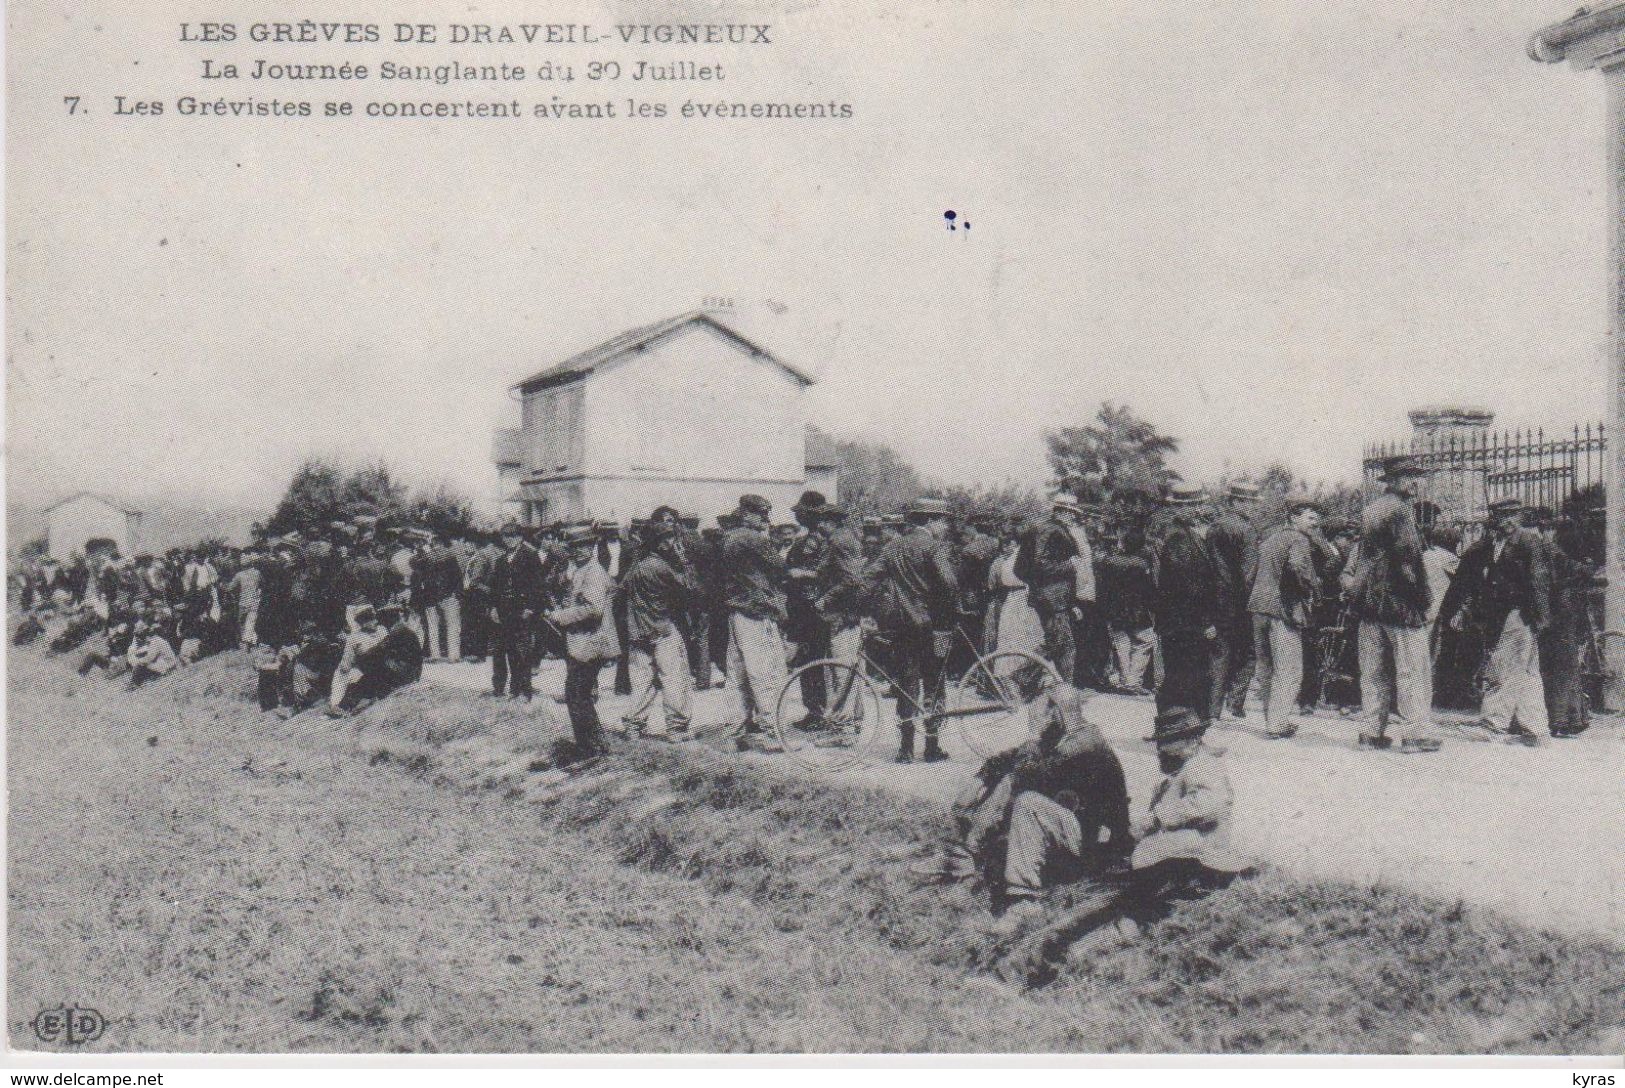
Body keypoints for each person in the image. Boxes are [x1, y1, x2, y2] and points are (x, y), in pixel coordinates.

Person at [990, 686, 1134, 927]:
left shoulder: (1080, 747)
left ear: (1056, 714)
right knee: (1018, 794)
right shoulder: (1081, 738)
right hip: (1088, 831)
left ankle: (1024, 899)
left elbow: (1026, 773)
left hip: (1100, 844)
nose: (1038, 722)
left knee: (1028, 803)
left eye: (1039, 716)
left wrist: (1033, 736)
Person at [1439, 498, 1552, 745]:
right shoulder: (1488, 545)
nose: (1508, 521)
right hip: (1501, 615)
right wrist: (1450, 611)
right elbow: (1466, 576)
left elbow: (1539, 581)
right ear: (1494, 518)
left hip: (1518, 613)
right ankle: (1535, 730)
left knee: (1504, 667)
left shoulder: (1529, 542)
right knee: (1526, 672)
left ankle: (1494, 723)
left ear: (1520, 517)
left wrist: (1542, 618)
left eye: (1512, 515)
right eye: (1502, 515)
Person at [1346, 455, 1440, 752]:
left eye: (1418, 476)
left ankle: (1370, 733)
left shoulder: (1371, 510)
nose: (1417, 482)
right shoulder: (1401, 512)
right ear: (1393, 481)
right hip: (1399, 604)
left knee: (1373, 672)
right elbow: (1409, 560)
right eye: (1409, 477)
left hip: (1369, 604)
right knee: (1413, 671)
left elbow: (1365, 559)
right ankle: (1415, 735)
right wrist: (1424, 598)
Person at [874, 497, 960, 762]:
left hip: (901, 626)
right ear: (931, 520)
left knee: (906, 682)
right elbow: (949, 584)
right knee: (935, 683)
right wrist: (953, 610)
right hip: (932, 625)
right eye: (943, 521)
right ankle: (932, 747)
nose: (945, 527)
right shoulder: (933, 547)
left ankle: (906, 749)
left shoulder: (891, 547)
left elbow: (869, 576)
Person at [1247, 499, 1322, 738]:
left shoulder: (1270, 539)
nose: (1315, 522)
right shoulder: (1298, 539)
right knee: (1288, 669)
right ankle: (1277, 724)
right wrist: (1311, 587)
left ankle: (1273, 720)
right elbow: (1297, 568)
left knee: (1267, 668)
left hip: (1258, 608)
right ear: (1294, 517)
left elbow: (1251, 576)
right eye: (1310, 517)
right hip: (1283, 610)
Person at [722, 494, 790, 750]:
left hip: (736, 610)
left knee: (737, 675)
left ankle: (735, 733)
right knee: (767, 673)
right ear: (748, 514)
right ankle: (773, 734)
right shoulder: (753, 539)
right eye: (762, 515)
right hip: (756, 611)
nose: (765, 520)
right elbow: (781, 569)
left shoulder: (729, 536)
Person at [547, 525, 621, 758]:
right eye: (574, 547)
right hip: (584, 642)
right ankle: (593, 746)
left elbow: (594, 609)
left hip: (591, 643)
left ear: (593, 547)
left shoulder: (593, 573)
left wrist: (562, 616)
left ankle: (592, 748)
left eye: (584, 546)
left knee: (577, 695)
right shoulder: (583, 570)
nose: (578, 551)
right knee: (578, 695)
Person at [619, 519, 694, 741]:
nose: (671, 542)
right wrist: (684, 562)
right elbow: (688, 588)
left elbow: (622, 588)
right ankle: (676, 728)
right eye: (667, 538)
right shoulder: (660, 567)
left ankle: (634, 725)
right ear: (658, 542)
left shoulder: (637, 565)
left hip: (637, 630)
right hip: (662, 628)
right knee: (674, 678)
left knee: (643, 681)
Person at [1153, 486, 1220, 726]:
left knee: (1184, 677)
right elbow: (1187, 584)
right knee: (1183, 677)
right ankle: (1176, 732)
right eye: (1193, 505)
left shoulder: (1183, 532)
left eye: (1198, 504)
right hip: (1183, 622)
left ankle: (1182, 730)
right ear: (1180, 508)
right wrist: (1205, 621)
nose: (1199, 509)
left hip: (1180, 620)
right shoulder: (1178, 536)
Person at [1017, 493, 1088, 685]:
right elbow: (1041, 565)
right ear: (1062, 511)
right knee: (1061, 644)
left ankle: (1061, 687)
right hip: (1053, 598)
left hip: (1053, 597)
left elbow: (1022, 569)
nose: (1074, 516)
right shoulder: (1052, 531)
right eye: (1071, 512)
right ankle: (1020, 679)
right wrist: (1070, 564)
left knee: (1061, 644)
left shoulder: (1046, 529)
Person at [1207, 482, 1261, 720]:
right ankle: (1235, 702)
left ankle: (1212, 707)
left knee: (1220, 651)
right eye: (1250, 502)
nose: (1253, 507)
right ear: (1237, 502)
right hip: (1239, 601)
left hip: (1215, 597)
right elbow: (1249, 572)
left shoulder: (1214, 527)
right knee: (1249, 651)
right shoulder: (1246, 530)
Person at [784, 491, 833, 728]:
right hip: (802, 608)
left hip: (812, 609)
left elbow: (824, 575)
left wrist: (801, 574)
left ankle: (819, 712)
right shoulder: (807, 538)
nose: (797, 514)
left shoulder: (820, 541)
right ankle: (815, 711)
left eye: (801, 511)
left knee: (814, 660)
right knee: (808, 661)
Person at [488, 522, 547, 700]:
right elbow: (495, 588)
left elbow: (538, 586)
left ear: (520, 537)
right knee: (504, 651)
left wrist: (531, 608)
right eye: (506, 536)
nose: (509, 540)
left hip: (522, 611)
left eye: (513, 536)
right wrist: (493, 608)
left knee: (523, 652)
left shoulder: (531, 556)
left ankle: (524, 690)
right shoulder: (500, 561)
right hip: (503, 611)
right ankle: (506, 689)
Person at [1098, 528, 1157, 695]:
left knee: (1121, 644)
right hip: (1138, 611)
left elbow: (1104, 588)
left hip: (1115, 611)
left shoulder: (1109, 562)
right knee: (1143, 643)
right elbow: (1149, 590)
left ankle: (1124, 680)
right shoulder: (1144, 565)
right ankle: (1133, 680)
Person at [127, 620, 179, 687]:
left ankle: (134, 684)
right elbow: (145, 650)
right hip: (165, 662)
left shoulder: (156, 641)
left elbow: (150, 658)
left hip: (168, 664)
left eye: (140, 633)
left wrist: (137, 661)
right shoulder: (154, 639)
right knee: (140, 663)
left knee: (140, 665)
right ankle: (136, 682)